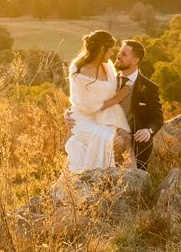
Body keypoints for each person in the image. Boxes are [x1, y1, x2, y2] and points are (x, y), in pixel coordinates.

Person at [64, 30, 134, 172]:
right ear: (102, 49)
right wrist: (117, 98)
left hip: (104, 116)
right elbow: (83, 105)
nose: (112, 54)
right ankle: (103, 177)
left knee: (127, 137)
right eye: (110, 50)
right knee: (116, 142)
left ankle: (135, 178)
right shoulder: (78, 70)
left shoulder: (108, 67)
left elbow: (111, 92)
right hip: (84, 119)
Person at [111, 38, 163, 171]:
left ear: (135, 61)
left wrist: (148, 130)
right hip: (108, 133)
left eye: (124, 54)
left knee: (133, 176)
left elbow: (158, 118)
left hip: (134, 139)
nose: (118, 56)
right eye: (119, 52)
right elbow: (89, 103)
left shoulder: (149, 87)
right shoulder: (108, 81)